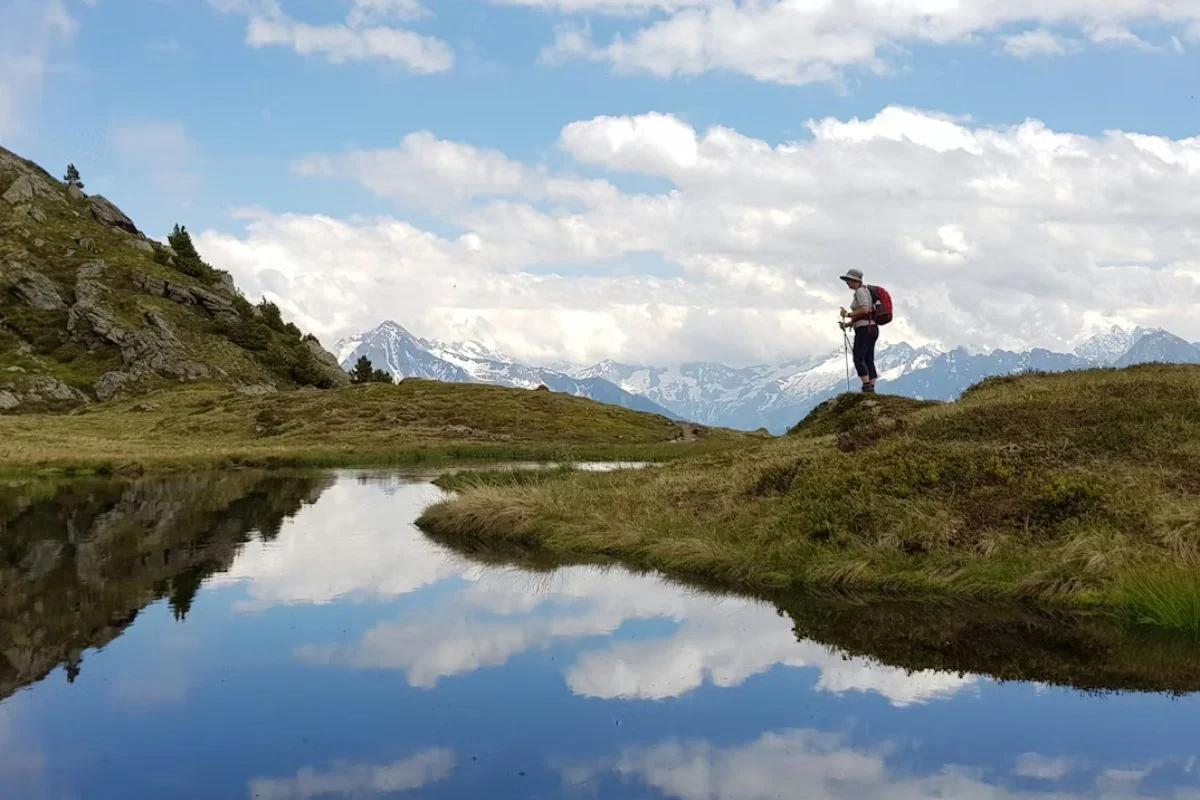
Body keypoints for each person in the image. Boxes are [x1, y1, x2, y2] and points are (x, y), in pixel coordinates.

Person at [839, 268, 878, 393]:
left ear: (855, 281)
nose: (847, 283)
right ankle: (871, 386)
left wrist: (848, 315)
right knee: (868, 358)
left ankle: (866, 385)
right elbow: (867, 312)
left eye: (849, 280)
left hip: (864, 329)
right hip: (872, 328)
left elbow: (865, 310)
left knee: (858, 357)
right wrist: (849, 324)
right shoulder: (866, 291)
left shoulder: (860, 292)